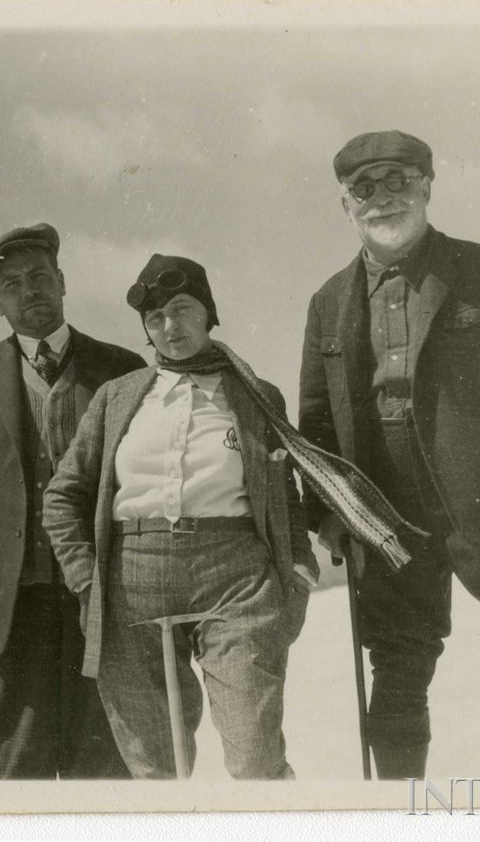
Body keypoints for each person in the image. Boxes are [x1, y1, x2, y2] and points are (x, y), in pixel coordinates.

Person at [299, 130, 480, 780]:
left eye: (397, 181)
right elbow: (316, 426)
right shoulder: (327, 305)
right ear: (344, 205)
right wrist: (326, 519)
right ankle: (401, 808)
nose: (382, 200)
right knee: (398, 659)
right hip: (386, 517)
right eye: (364, 189)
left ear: (427, 186)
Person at [43, 254, 318, 779]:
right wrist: (84, 579)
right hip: (131, 581)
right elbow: (62, 497)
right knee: (155, 770)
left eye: (182, 308)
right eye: (155, 318)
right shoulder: (116, 398)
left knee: (255, 757)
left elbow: (284, 493)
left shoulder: (257, 395)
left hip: (234, 577)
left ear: (209, 312)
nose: (170, 327)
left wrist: (299, 570)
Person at [0, 222, 144, 779]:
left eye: (39, 276)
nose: (30, 291)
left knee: (103, 749)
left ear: (63, 282)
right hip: (16, 593)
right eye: (12, 284)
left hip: (102, 588)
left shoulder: (121, 368)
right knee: (19, 748)